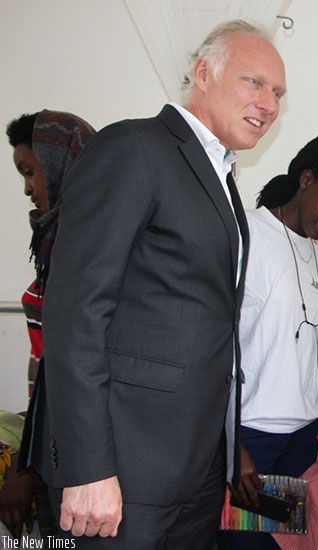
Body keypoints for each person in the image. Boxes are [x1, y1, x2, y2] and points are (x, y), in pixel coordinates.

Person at [23, 20, 286, 548]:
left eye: (278, 92)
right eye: (254, 82)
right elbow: (76, 312)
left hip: (194, 468)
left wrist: (226, 449)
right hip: (124, 465)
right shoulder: (135, 147)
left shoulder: (220, 176)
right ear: (203, 73)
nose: (269, 103)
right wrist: (88, 467)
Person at [219, 135, 318, 550]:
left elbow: (291, 343)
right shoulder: (245, 235)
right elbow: (215, 346)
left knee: (280, 546)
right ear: (306, 180)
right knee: (244, 545)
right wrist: (232, 443)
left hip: (301, 436)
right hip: (253, 434)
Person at [2, 110, 96, 541]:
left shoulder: (85, 245)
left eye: (30, 171)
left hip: (68, 446)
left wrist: (27, 464)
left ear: (60, 164)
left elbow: (71, 368)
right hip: (50, 434)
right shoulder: (56, 237)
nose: (27, 188)